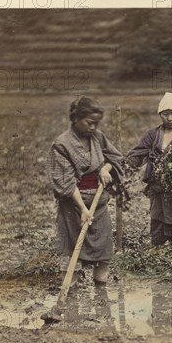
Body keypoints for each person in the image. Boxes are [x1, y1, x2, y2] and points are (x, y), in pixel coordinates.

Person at [46, 96, 124, 286]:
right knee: (73, 253)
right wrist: (82, 209)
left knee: (103, 252)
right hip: (73, 206)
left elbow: (115, 157)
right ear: (76, 119)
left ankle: (101, 291)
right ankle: (70, 294)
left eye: (96, 124)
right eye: (89, 123)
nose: (93, 128)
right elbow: (65, 181)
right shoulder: (62, 145)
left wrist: (105, 169)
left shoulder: (98, 137)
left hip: (98, 203)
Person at [126, 92, 172, 246]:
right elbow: (138, 153)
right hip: (157, 186)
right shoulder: (153, 135)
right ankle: (157, 249)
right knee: (158, 218)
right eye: (165, 114)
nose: (169, 118)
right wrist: (128, 164)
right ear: (160, 114)